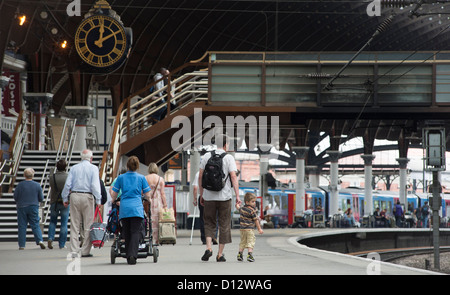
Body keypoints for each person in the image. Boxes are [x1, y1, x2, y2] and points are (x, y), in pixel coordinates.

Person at [199, 134, 241, 262]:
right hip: (225, 196)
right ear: (225, 144)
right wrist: (238, 196)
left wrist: (202, 195)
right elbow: (233, 177)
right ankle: (220, 254)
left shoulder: (206, 156)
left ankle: (209, 248)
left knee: (209, 222)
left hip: (209, 196)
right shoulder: (229, 158)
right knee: (224, 224)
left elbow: (201, 177)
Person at [61, 149, 102, 258]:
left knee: (74, 225)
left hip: (74, 195)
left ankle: (74, 250)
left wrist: (65, 198)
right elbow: (95, 185)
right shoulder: (94, 168)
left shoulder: (74, 168)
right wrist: (98, 200)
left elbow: (67, 184)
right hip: (88, 196)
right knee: (88, 224)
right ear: (91, 158)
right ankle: (85, 251)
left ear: (81, 157)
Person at [111, 156, 151, 265]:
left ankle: (129, 255)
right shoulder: (141, 178)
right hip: (137, 208)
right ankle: (132, 255)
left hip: (125, 208)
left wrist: (114, 200)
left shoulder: (121, 178)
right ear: (137, 166)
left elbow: (114, 193)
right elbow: (147, 194)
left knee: (126, 231)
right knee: (135, 232)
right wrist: (148, 200)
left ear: (127, 166)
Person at [14, 168, 45, 250]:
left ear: (24, 175)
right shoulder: (37, 185)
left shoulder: (20, 185)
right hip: (33, 206)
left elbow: (15, 197)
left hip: (22, 207)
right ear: (33, 175)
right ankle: (40, 240)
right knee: (35, 224)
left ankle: (22, 245)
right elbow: (41, 198)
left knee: (22, 226)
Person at [47, 159, 69, 249]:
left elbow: (52, 186)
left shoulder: (52, 177)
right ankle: (62, 244)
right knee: (64, 223)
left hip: (54, 202)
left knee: (52, 221)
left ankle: (50, 238)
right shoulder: (68, 177)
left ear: (57, 167)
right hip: (65, 202)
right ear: (65, 167)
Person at [236, 192, 263, 262]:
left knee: (243, 242)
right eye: (252, 201)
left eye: (254, 201)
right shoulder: (252, 211)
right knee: (250, 241)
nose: (254, 203)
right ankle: (249, 255)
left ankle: (240, 254)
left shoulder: (242, 209)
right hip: (249, 229)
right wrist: (259, 229)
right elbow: (256, 220)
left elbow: (238, 208)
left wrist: (237, 205)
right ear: (247, 202)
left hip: (242, 230)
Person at [144, 162, 168, 245]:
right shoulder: (160, 179)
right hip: (157, 202)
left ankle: (149, 237)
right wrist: (165, 205)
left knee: (148, 219)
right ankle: (156, 240)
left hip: (147, 201)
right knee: (157, 221)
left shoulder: (145, 178)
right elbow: (162, 194)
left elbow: (142, 192)